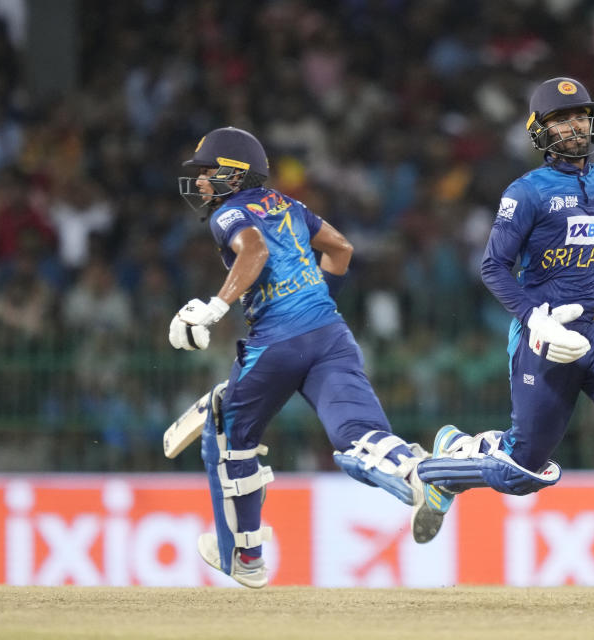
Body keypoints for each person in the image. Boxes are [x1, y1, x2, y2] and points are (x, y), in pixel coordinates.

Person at [414, 78, 594, 593]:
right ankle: (447, 461)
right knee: (521, 472)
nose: (575, 125)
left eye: (581, 115)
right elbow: (493, 268)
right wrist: (536, 319)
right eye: (561, 118)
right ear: (539, 131)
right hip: (546, 336)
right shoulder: (526, 193)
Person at [172, 126, 442, 588]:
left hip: (275, 344)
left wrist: (215, 308)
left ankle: (245, 555)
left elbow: (253, 248)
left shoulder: (228, 214)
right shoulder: (287, 204)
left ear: (234, 175)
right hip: (331, 334)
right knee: (360, 435)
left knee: (227, 433)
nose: (199, 183)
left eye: (207, 172)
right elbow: (341, 249)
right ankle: (419, 474)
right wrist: (315, 300)